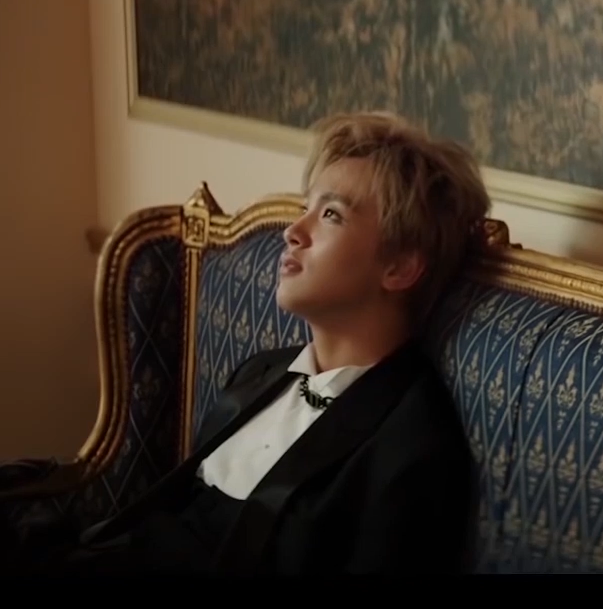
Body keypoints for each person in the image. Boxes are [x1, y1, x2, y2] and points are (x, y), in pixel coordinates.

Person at [1, 111, 490, 575]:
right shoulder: (260, 373)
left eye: (331, 215)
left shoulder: (412, 443)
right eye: (304, 210)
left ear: (400, 267)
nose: (293, 232)